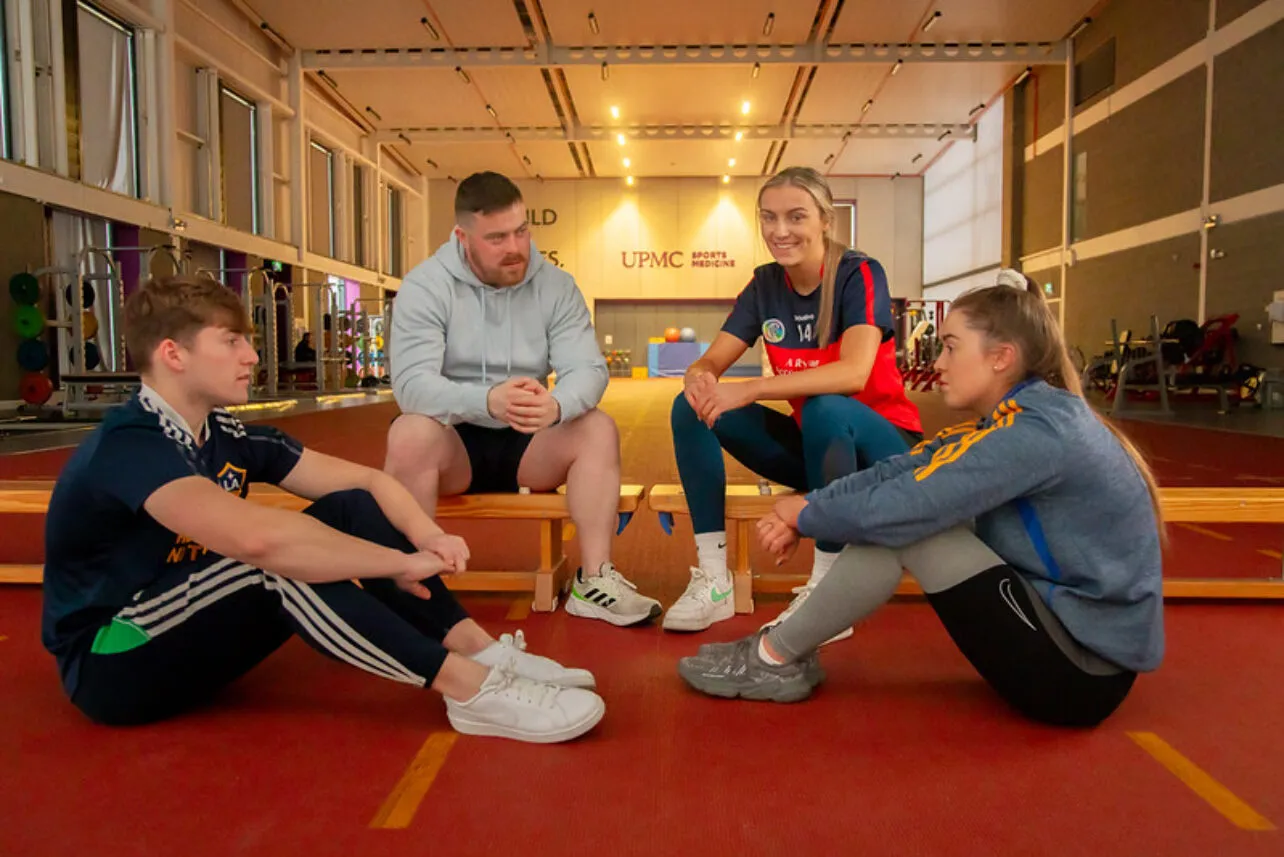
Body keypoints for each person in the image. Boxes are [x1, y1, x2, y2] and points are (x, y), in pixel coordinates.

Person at [40, 274, 605, 744]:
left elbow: (368, 482)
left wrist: (427, 536)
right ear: (173, 354)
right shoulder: (132, 445)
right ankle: (469, 689)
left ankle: (479, 650)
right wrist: (398, 564)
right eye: (231, 341)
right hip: (114, 658)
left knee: (349, 506)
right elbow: (259, 542)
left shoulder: (225, 435)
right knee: (272, 566)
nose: (251, 355)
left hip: (188, 620)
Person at [677, 271, 1165, 728]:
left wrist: (807, 515)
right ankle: (778, 652)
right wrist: (811, 507)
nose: (938, 363)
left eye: (951, 347)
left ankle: (773, 656)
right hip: (1064, 640)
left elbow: (912, 501)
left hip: (1080, 675)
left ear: (1001, 357)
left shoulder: (1038, 431)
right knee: (901, 515)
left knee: (909, 525)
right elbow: (906, 469)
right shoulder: (1018, 418)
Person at [384, 171, 662, 627]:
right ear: (463, 238)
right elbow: (412, 386)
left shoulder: (556, 286)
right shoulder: (425, 286)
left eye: (521, 231)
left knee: (596, 427)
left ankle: (595, 580)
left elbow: (588, 369)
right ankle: (412, 581)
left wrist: (558, 404)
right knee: (409, 433)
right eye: (496, 238)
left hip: (530, 439)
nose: (514, 247)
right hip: (452, 441)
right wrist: (486, 400)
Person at [663, 166, 923, 634]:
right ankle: (714, 578)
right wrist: (699, 377)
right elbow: (712, 360)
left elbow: (853, 373)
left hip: (885, 452)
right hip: (821, 452)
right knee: (691, 408)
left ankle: (828, 592)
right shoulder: (765, 286)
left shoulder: (859, 274)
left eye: (796, 216)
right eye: (769, 217)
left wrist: (752, 388)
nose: (779, 231)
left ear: (825, 220)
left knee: (825, 404)